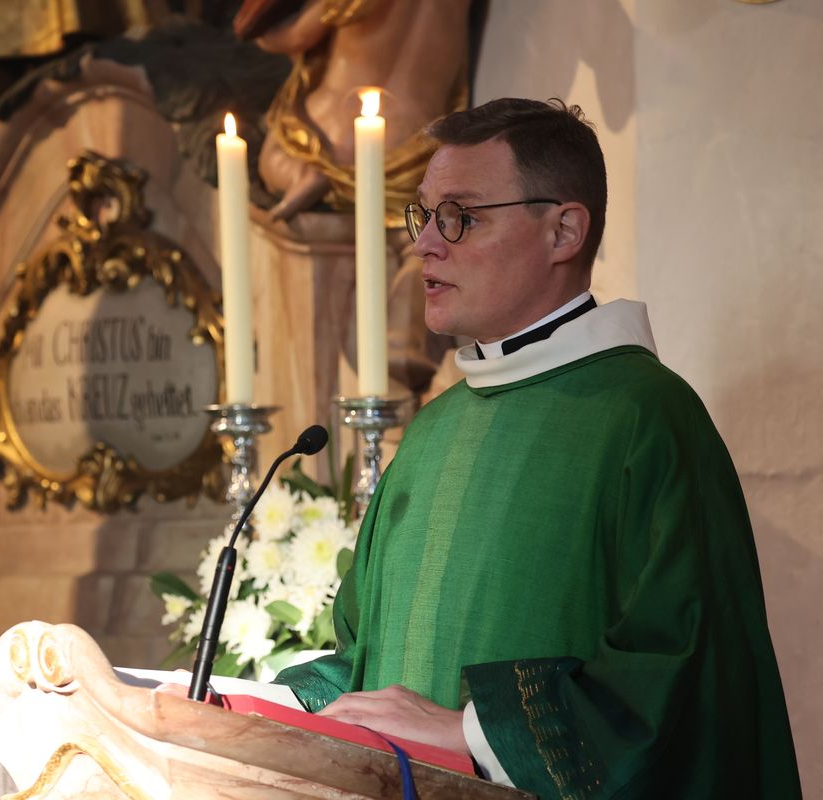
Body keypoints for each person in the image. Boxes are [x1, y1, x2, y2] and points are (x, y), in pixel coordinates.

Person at [274, 97, 801, 798]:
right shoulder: (430, 433)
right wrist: (254, 704)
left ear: (563, 232)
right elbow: (363, 653)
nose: (425, 244)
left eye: (460, 216)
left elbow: (683, 678)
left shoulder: (647, 418)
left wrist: (472, 735)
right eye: (423, 215)